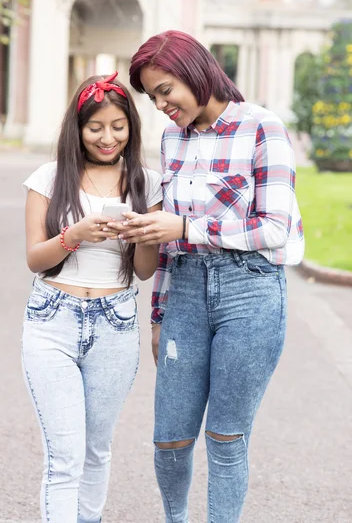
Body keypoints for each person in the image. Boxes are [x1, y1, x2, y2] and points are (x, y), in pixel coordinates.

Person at [106, 31, 305, 522]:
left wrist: (188, 226)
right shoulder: (173, 138)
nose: (160, 105)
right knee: (169, 437)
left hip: (251, 291)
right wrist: (158, 314)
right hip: (186, 293)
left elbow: (275, 229)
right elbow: (168, 239)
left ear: (196, 71)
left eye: (165, 90)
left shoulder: (263, 127)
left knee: (226, 435)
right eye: (153, 97)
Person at [21, 73, 162, 523]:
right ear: (77, 129)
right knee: (64, 456)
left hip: (115, 323)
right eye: (95, 127)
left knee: (96, 451)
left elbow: (143, 271)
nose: (107, 137)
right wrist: (74, 235)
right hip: (52, 319)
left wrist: (142, 233)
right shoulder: (49, 178)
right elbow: (35, 259)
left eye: (118, 126)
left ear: (131, 128)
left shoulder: (148, 183)